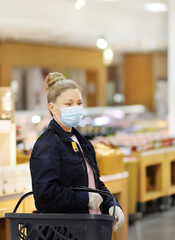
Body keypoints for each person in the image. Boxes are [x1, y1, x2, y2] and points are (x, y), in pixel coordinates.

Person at [30, 72, 124, 232]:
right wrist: (85, 199)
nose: (76, 108)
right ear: (52, 108)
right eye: (68, 104)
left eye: (79, 103)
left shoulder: (82, 142)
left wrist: (112, 204)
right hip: (64, 232)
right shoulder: (47, 144)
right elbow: (45, 195)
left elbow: (95, 183)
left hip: (90, 227)